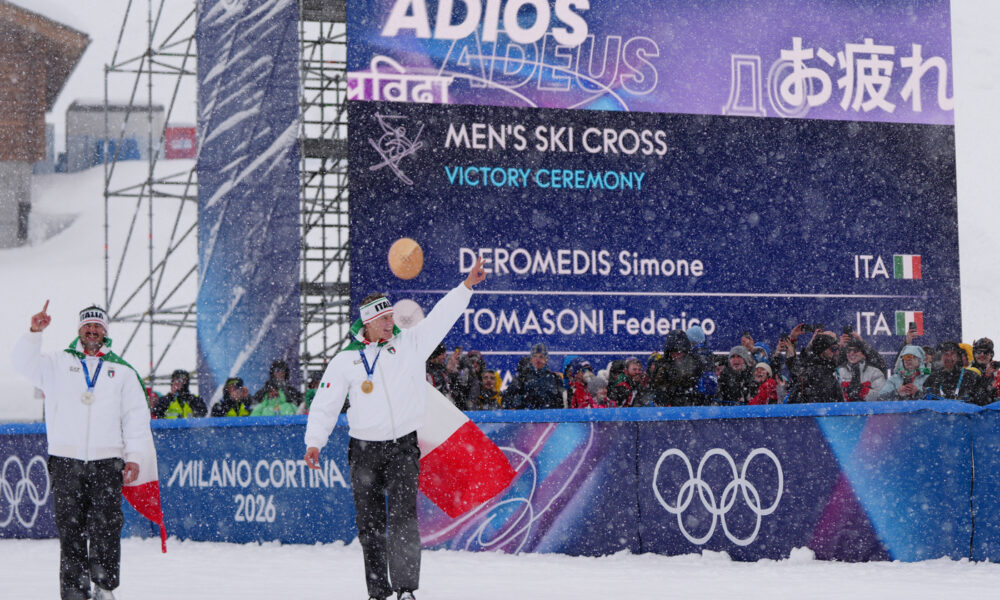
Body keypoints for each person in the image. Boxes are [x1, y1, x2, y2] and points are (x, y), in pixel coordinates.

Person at [304, 257, 487, 600]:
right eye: (384, 319)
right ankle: (378, 592)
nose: (391, 323)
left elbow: (440, 319)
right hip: (363, 451)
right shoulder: (346, 360)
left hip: (403, 445)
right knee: (370, 525)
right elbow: (325, 404)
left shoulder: (411, 345)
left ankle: (405, 589)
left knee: (403, 518)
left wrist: (466, 288)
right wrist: (314, 441)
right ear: (368, 323)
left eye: (391, 318)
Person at [11, 302, 152, 600]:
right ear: (79, 330)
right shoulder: (56, 363)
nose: (92, 330)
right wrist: (34, 334)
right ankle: (75, 591)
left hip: (107, 462)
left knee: (106, 527)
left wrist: (135, 456)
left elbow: (136, 418)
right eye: (87, 325)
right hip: (66, 460)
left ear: (105, 333)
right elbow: (22, 364)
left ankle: (104, 586)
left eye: (98, 326)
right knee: (71, 530)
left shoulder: (122, 371)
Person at [922, 341, 991, 405]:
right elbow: (924, 401)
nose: (949, 358)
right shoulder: (933, 378)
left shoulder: (971, 376)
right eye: (945, 354)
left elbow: (984, 402)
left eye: (952, 354)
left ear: (958, 356)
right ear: (941, 357)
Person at [502, 342, 563, 409]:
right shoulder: (521, 377)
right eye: (535, 356)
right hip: (526, 417)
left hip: (548, 418)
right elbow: (506, 401)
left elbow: (561, 404)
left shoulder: (555, 378)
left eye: (541, 357)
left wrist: (547, 402)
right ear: (531, 359)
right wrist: (524, 400)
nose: (537, 360)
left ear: (546, 360)